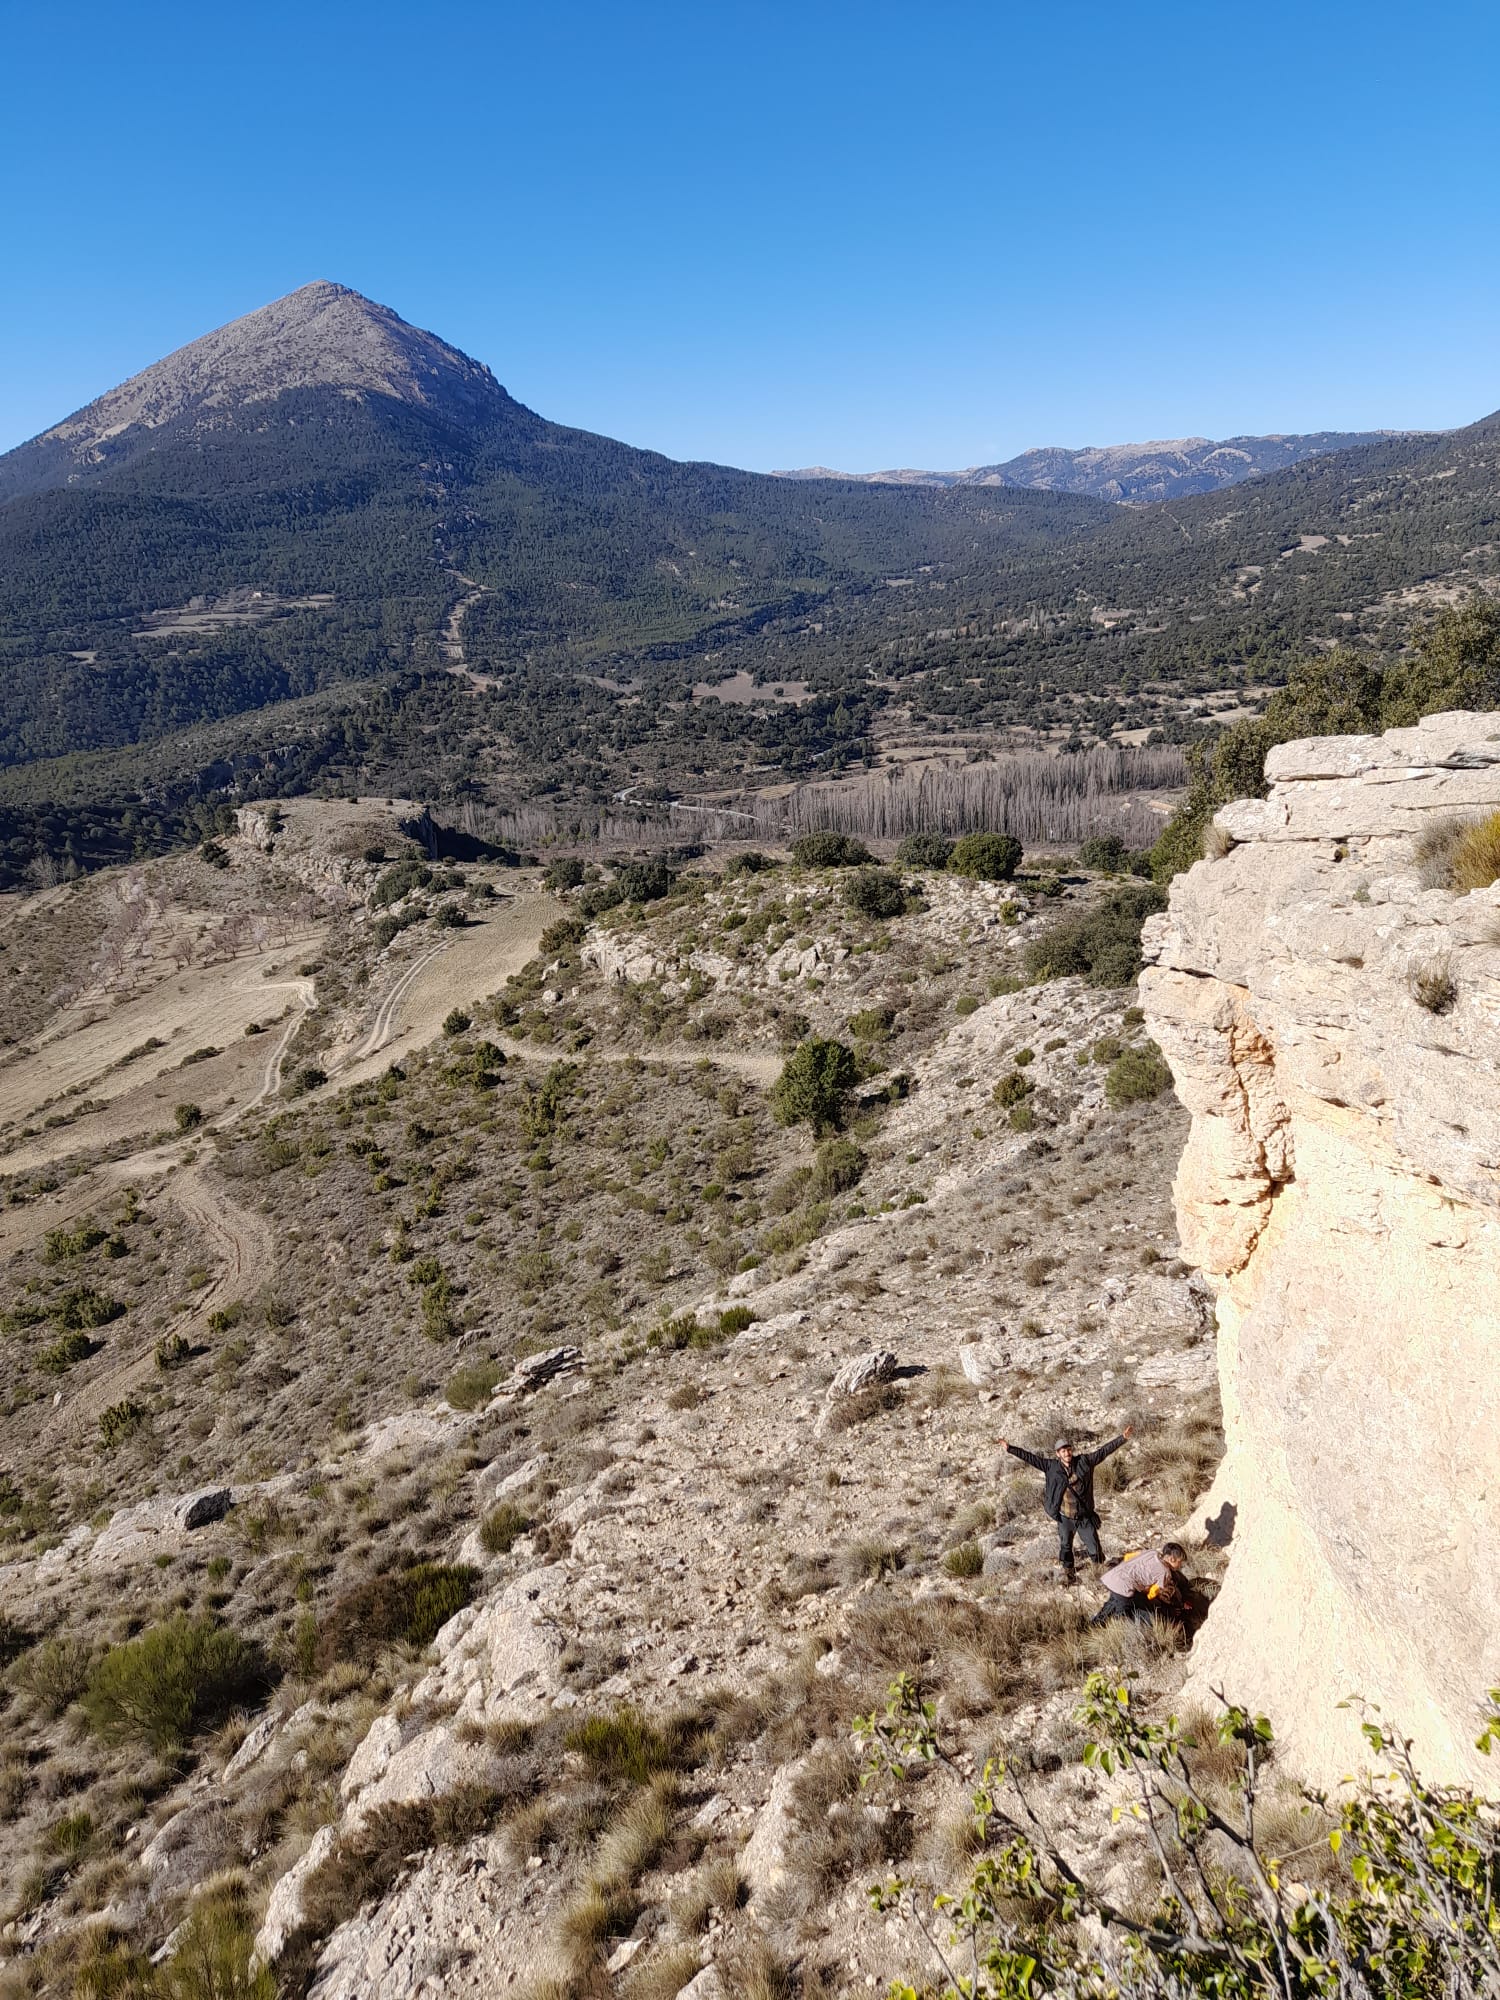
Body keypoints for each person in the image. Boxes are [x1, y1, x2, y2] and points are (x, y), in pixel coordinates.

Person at [1000, 1426, 1133, 1583]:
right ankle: (1069, 1575)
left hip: (1084, 1516)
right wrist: (1010, 1449)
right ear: (1058, 1454)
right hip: (1065, 1517)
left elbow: (1103, 1451)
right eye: (1062, 1451)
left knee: (1094, 1547)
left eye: (1068, 1449)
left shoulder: (1085, 1461)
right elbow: (1030, 1458)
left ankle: (1100, 1574)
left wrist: (1122, 1438)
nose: (1066, 1453)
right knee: (1066, 1547)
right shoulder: (1051, 1467)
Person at [1091, 1542, 1189, 1628]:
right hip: (1125, 1587)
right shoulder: (1165, 1573)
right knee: (1124, 1615)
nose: (1180, 1566)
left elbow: (1129, 1557)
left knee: (1113, 1602)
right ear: (1172, 1559)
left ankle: (1094, 1625)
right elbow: (1153, 1594)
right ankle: (1119, 1631)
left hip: (1112, 1577)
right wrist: (1173, 1608)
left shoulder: (1152, 1552)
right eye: (1179, 1562)